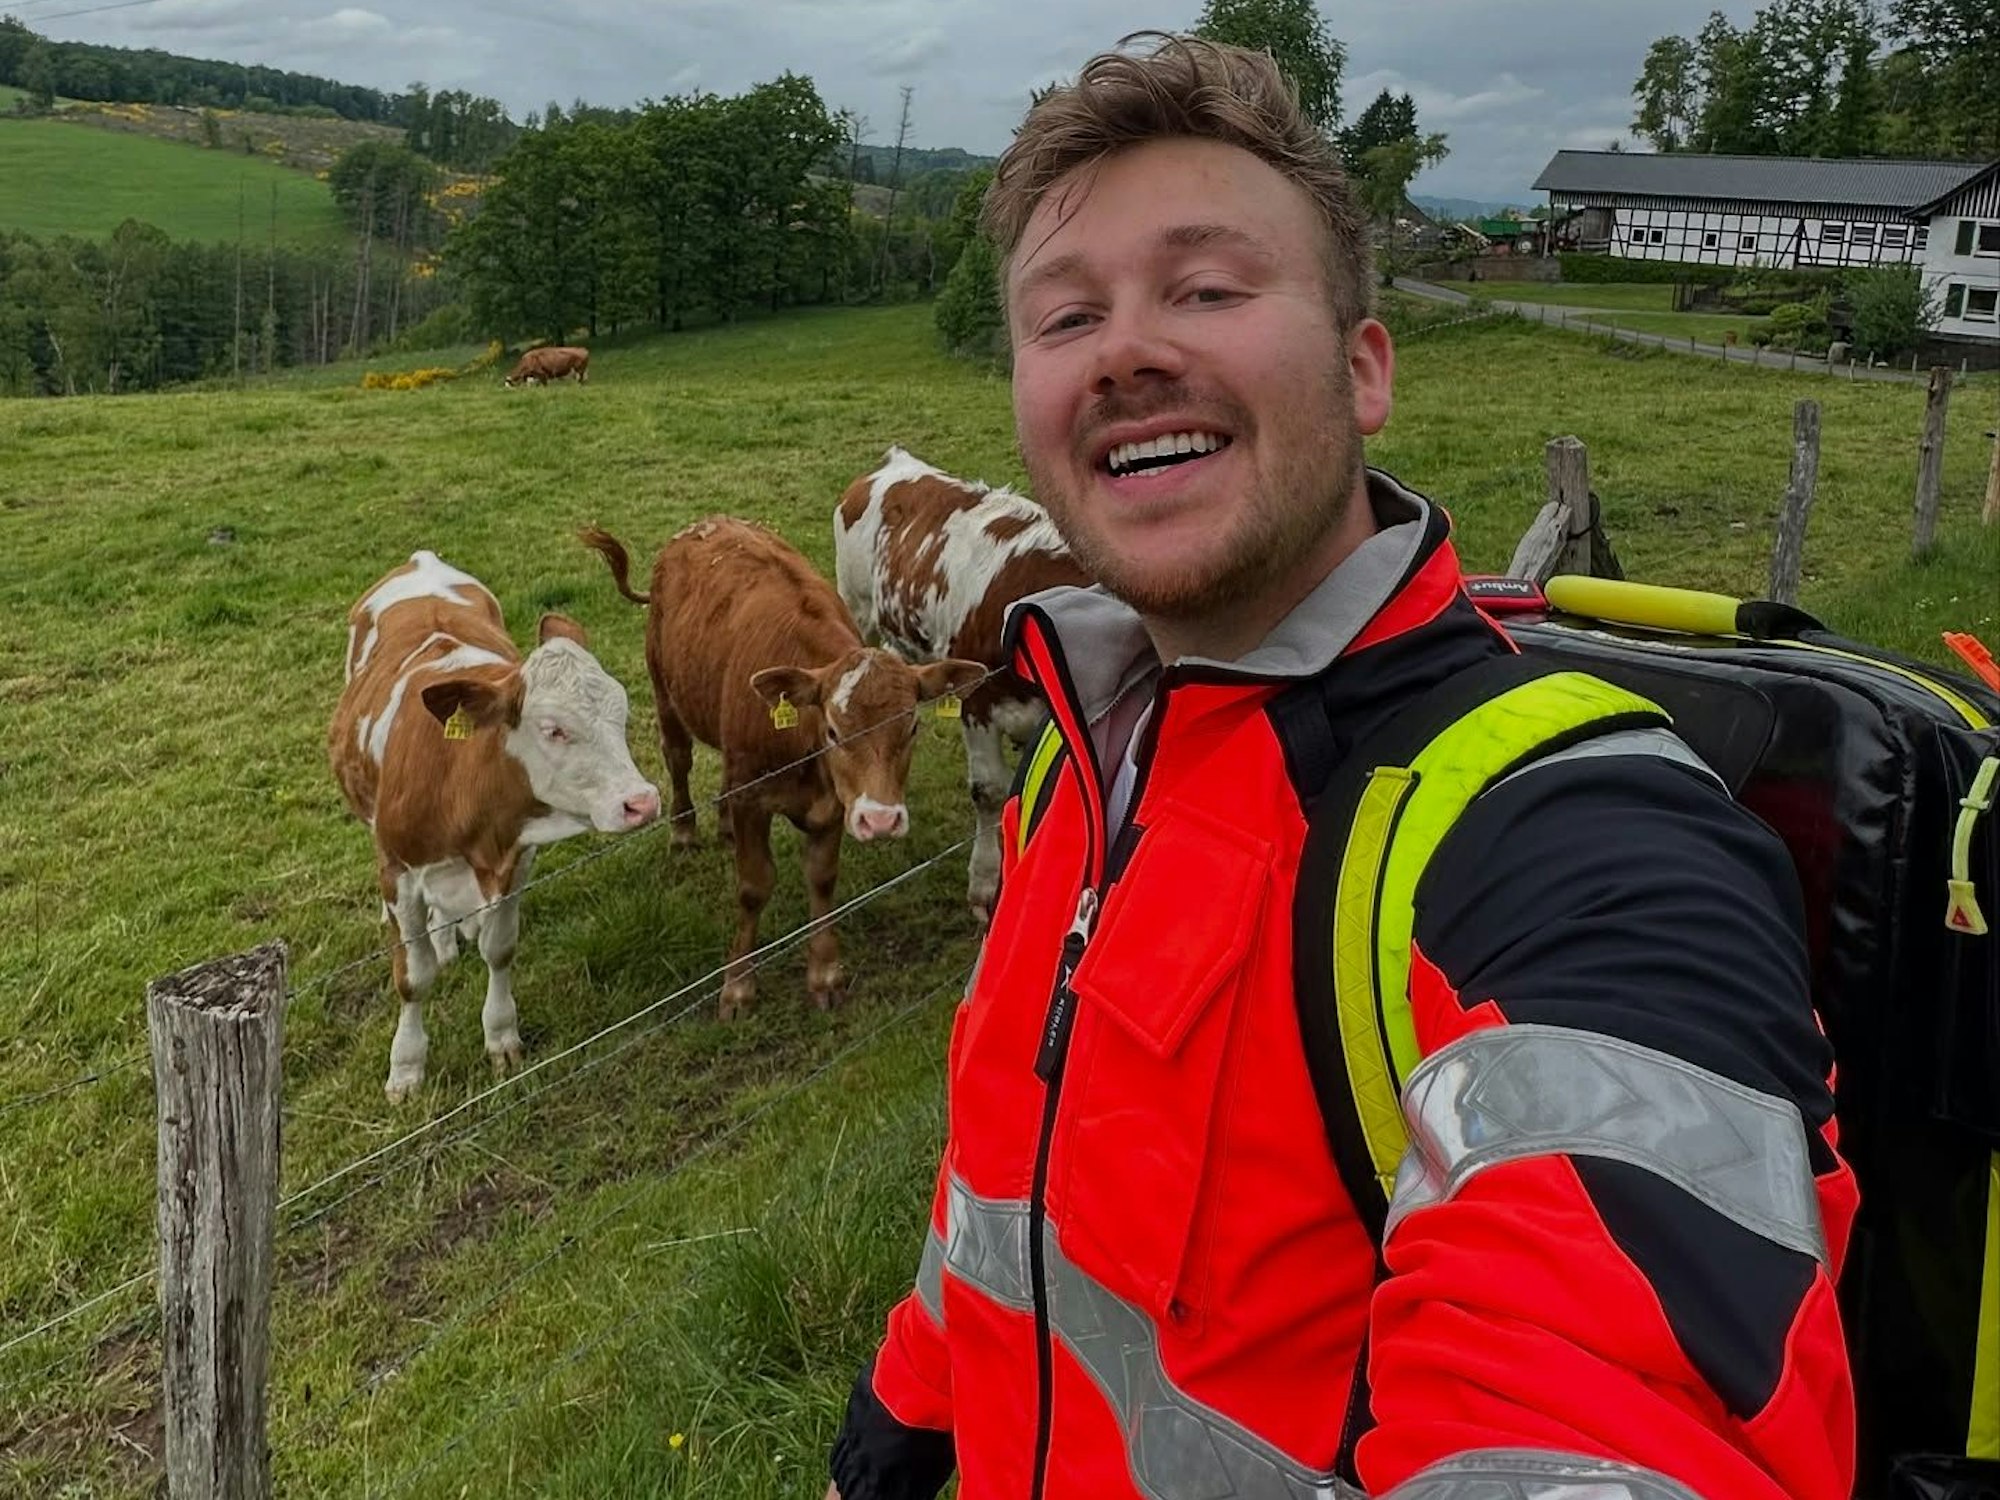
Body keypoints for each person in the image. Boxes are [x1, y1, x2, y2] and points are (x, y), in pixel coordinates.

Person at [826, 32, 1858, 1500]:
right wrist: (888, 1443)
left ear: (1365, 371)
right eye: (1066, 318)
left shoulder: (1571, 848)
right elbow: (998, 1202)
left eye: (1207, 288)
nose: (1124, 350)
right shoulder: (1084, 768)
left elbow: (1602, 1409)